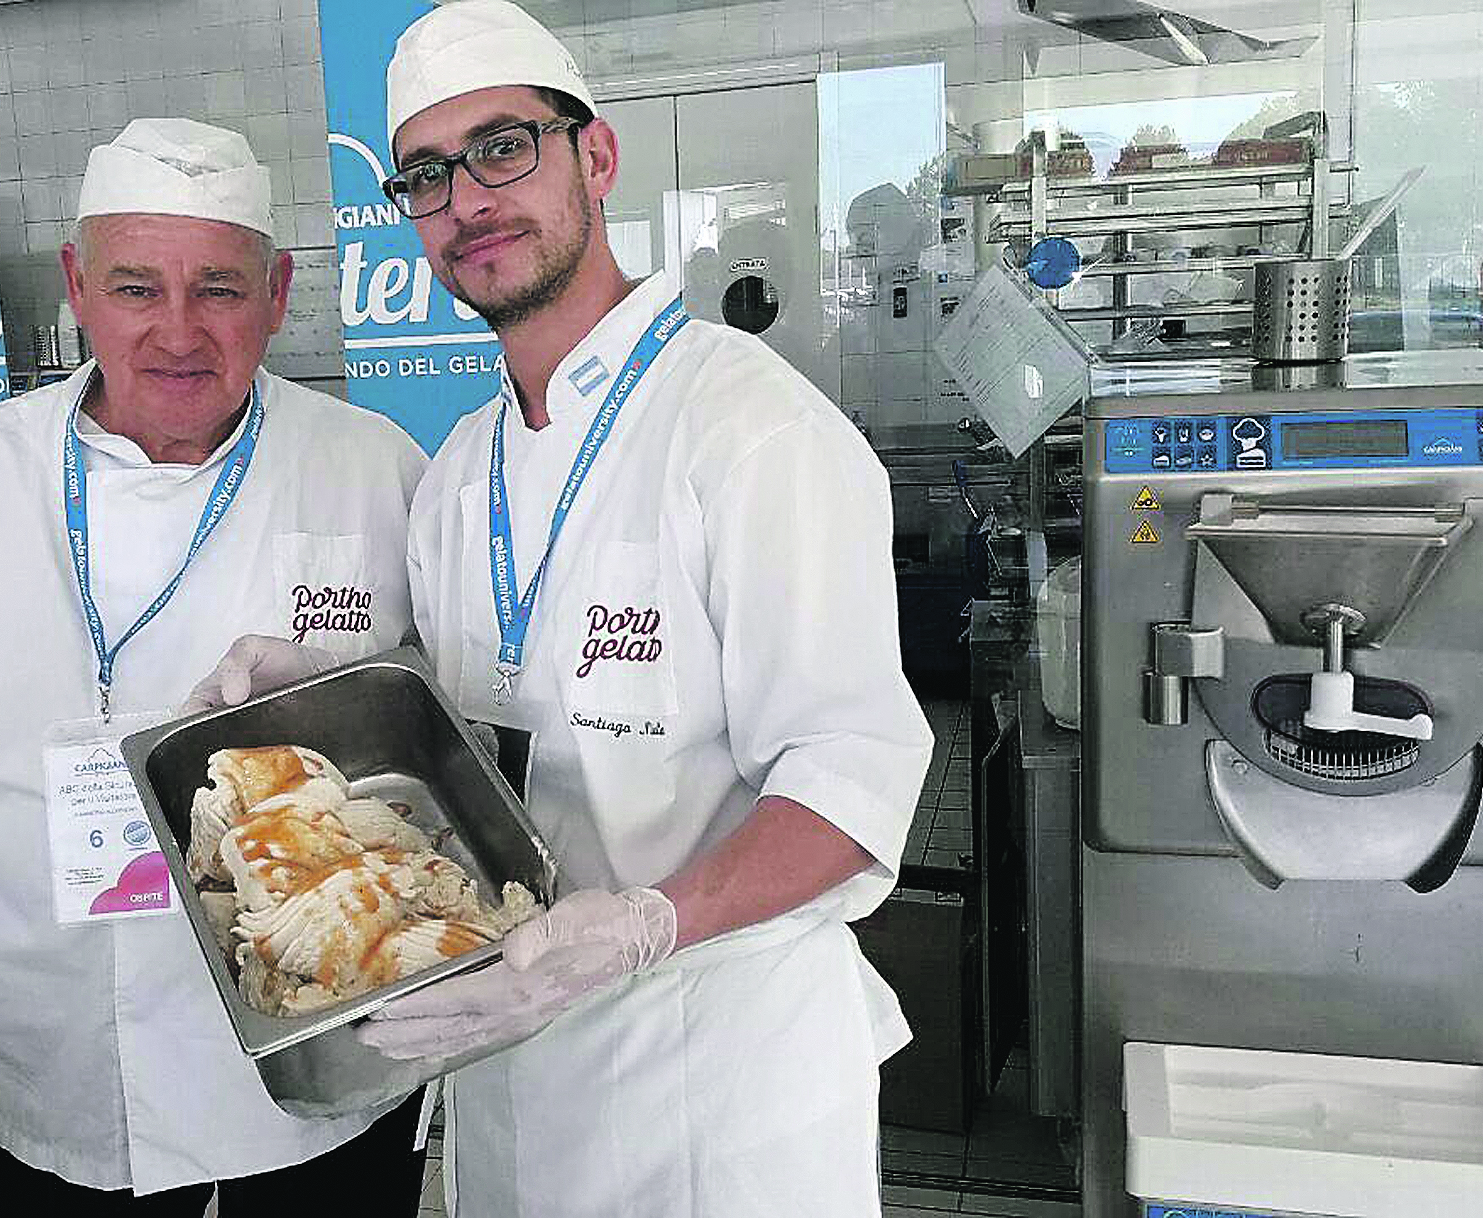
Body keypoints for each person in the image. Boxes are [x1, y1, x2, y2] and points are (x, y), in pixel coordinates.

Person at [191, 3, 935, 1214]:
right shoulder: (461, 471)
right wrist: (329, 685)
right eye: (425, 176)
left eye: (502, 147)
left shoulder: (751, 433)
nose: (467, 201)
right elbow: (476, 712)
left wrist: (641, 924)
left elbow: (849, 788)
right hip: (510, 1076)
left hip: (715, 1082)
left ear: (594, 157)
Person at [0, 118, 429, 1218]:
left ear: (277, 295)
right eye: (135, 288)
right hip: (65, 1070)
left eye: (218, 288)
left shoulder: (374, 470)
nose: (178, 332)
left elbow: (446, 742)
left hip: (328, 1042)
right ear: (77, 287)